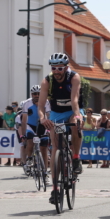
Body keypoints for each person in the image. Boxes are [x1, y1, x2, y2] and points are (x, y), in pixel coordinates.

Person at [38, 53, 83, 204]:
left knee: (76, 126)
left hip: (72, 110)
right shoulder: (47, 80)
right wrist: (43, 118)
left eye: (60, 68)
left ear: (66, 67)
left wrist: (77, 116)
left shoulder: (74, 77)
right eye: (54, 68)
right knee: (55, 148)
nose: (56, 71)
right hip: (57, 112)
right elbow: (41, 105)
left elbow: (74, 100)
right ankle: (55, 189)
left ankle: (75, 158)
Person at [21, 85, 51, 177]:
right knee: (30, 142)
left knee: (44, 149)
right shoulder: (26, 103)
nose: (36, 95)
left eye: (38, 93)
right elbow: (24, 120)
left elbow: (48, 116)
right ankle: (29, 158)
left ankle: (45, 171)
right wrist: (23, 135)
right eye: (34, 94)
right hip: (30, 126)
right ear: (31, 94)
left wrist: (49, 129)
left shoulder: (46, 102)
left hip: (43, 125)